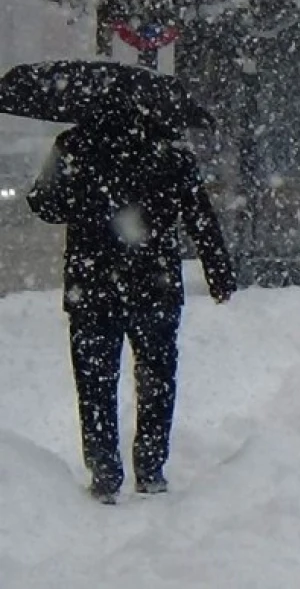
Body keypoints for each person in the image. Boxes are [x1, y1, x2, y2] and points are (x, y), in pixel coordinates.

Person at [26, 115, 236, 504]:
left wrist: (80, 196)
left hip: (92, 285)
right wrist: (219, 272)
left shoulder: (74, 144)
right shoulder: (170, 150)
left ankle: (105, 471)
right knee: (157, 375)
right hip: (154, 283)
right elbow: (199, 216)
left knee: (95, 382)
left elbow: (45, 204)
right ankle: (151, 467)